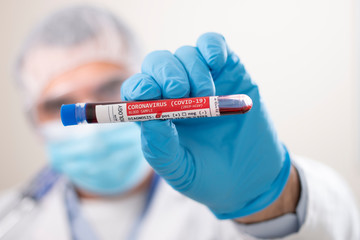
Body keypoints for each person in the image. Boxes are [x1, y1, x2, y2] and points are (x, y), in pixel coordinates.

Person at [1, 4, 359, 240]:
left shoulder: (215, 186)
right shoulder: (10, 220)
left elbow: (337, 224)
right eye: (59, 103)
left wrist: (270, 200)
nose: (90, 113)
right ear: (35, 121)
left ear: (141, 85)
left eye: (110, 87)